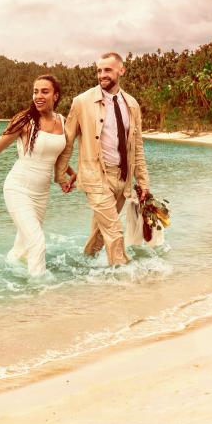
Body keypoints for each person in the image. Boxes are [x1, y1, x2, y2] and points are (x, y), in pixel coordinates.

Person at [54, 53, 150, 266]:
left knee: (101, 230)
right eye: (99, 70)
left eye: (107, 70)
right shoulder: (81, 102)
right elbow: (68, 141)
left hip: (122, 177)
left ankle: (85, 265)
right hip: (95, 176)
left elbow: (137, 146)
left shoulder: (132, 104)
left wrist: (143, 181)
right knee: (115, 230)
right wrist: (60, 174)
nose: (102, 75)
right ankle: (125, 277)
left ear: (121, 70)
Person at [0, 75, 76, 277]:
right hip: (17, 188)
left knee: (23, 247)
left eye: (44, 91)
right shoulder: (25, 120)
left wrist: (69, 173)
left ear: (56, 96)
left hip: (41, 194)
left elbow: (54, 156)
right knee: (37, 244)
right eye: (35, 91)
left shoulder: (62, 122)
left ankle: (9, 278)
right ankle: (40, 295)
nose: (38, 96)